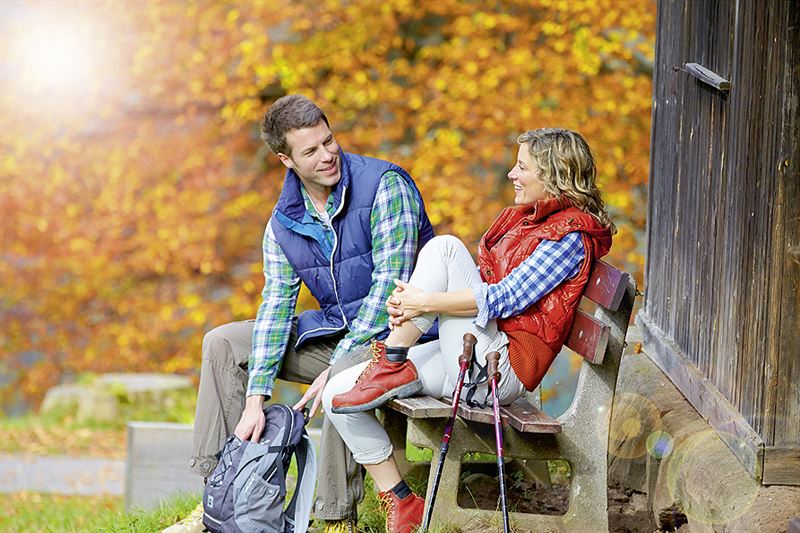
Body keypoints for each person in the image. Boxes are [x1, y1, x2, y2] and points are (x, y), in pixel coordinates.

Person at [321, 128, 615, 533]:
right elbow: (483, 285)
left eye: (523, 167)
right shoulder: (531, 221)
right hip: (477, 351)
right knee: (335, 394)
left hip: (500, 369)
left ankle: (393, 357)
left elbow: (504, 298)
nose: (512, 174)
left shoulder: (570, 239)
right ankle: (403, 503)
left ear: (554, 175)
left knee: (444, 247)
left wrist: (424, 303)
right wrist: (416, 303)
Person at [189, 94, 435, 532]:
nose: (327, 155)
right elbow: (276, 306)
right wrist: (256, 396)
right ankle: (222, 493)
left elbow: (390, 290)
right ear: (286, 160)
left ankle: (332, 516)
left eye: (329, 141)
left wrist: (337, 362)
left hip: (403, 339)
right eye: (310, 151)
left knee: (340, 379)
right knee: (223, 343)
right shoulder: (284, 221)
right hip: (341, 332)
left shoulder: (384, 186)